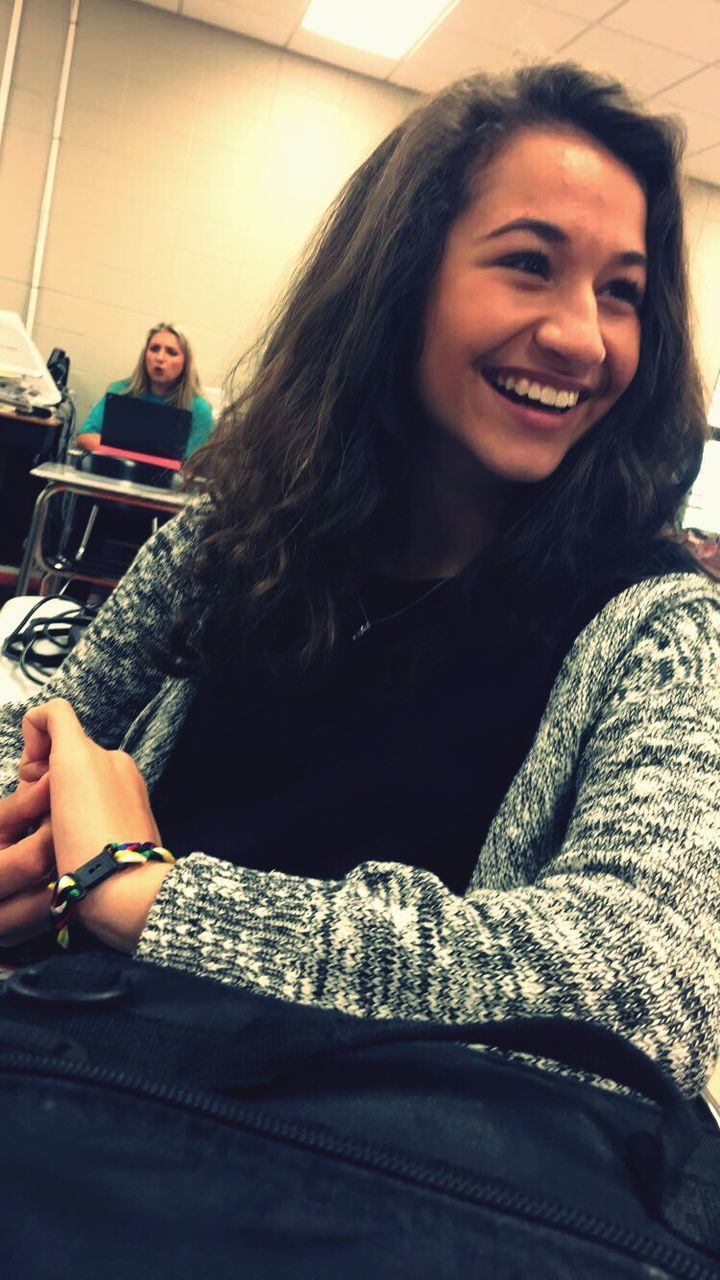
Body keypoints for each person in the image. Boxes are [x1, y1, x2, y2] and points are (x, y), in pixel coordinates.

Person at [0, 63, 718, 1103]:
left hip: (386, 1193)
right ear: (399, 277)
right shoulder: (230, 537)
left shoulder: (659, 627)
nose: (584, 335)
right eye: (529, 263)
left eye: (623, 291)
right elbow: (49, 728)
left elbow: (647, 986)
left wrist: (144, 896)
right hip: (88, 1111)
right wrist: (27, 861)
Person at [74, 322, 214, 458]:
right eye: (154, 349)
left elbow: (194, 464)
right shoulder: (121, 392)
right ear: (145, 355)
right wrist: (137, 456)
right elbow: (85, 436)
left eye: (171, 352)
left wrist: (127, 452)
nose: (159, 358)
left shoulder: (199, 409)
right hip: (113, 474)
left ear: (185, 362)